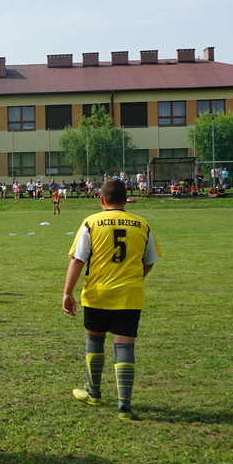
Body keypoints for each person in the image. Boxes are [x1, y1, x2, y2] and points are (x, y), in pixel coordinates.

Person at [62, 178, 162, 421]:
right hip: (129, 293)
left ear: (102, 200)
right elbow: (149, 261)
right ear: (126, 199)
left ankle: (93, 393)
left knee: (94, 342)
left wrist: (67, 292)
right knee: (125, 346)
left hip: (98, 292)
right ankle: (124, 407)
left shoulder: (91, 222)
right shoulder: (141, 223)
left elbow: (78, 259)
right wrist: (135, 278)